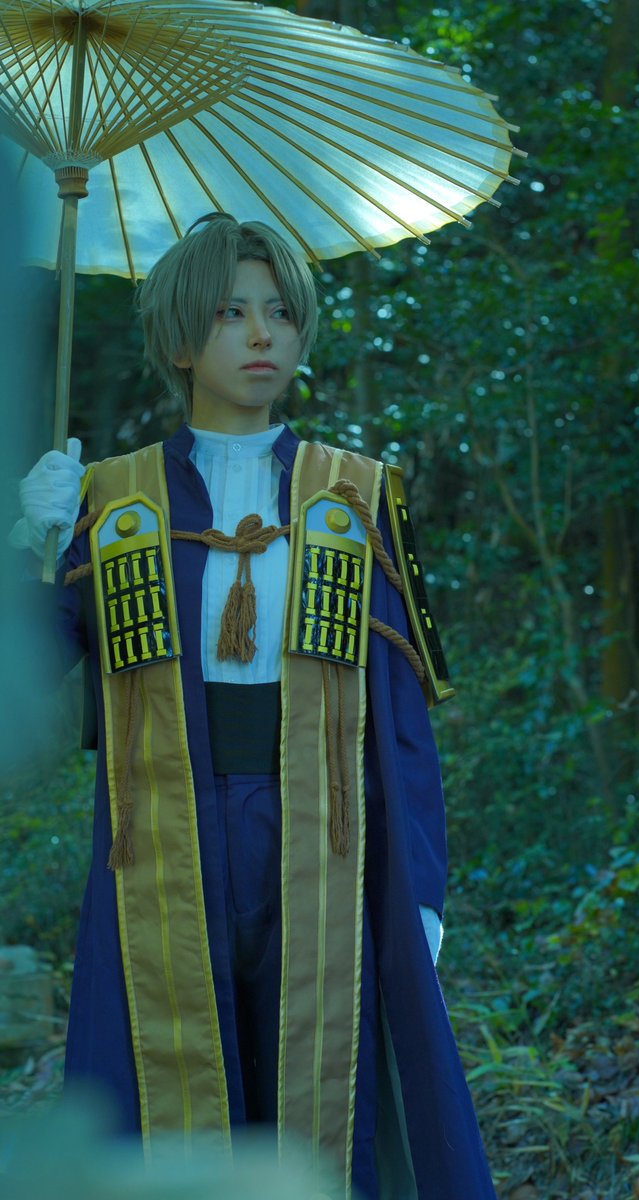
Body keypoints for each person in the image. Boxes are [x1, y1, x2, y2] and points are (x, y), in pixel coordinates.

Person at [13, 215, 497, 1200]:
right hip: (162, 837)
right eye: (231, 313)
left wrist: (422, 887)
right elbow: (30, 665)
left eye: (279, 311)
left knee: (324, 1099)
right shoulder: (110, 500)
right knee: (174, 1101)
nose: (262, 333)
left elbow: (402, 719)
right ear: (180, 340)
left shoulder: (355, 497)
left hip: (325, 839)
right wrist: (33, 542)